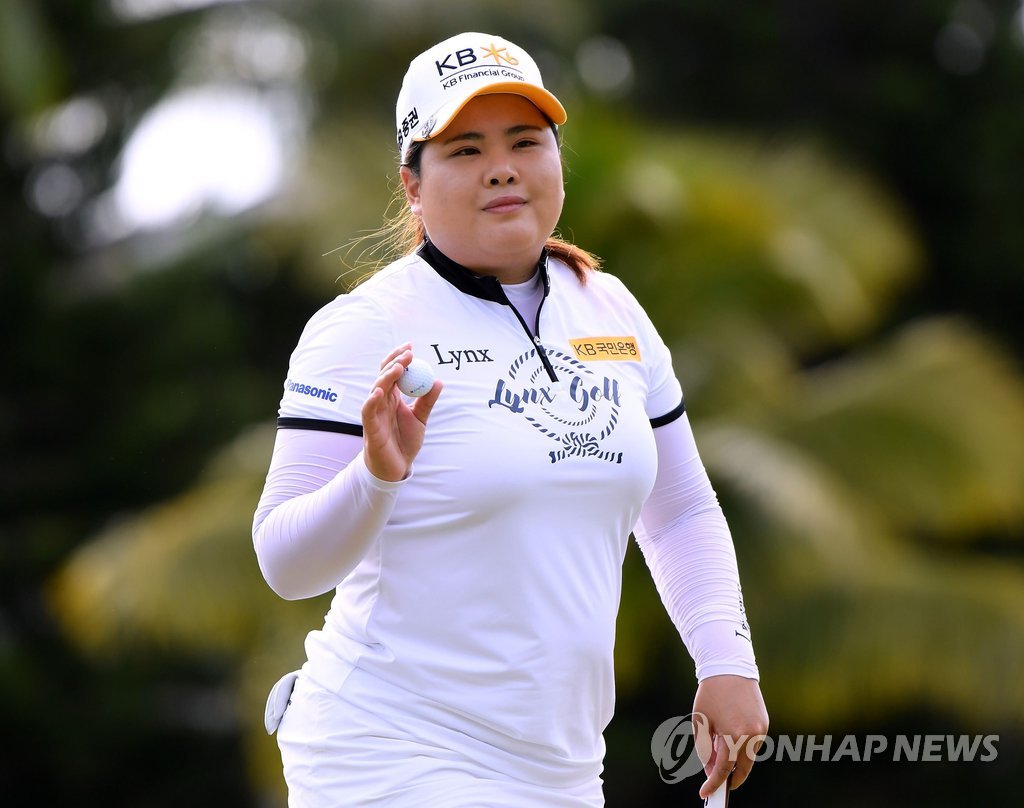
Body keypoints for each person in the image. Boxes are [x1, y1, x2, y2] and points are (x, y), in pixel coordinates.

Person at [253, 31, 768, 807]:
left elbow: (680, 509)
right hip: (389, 751)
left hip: (560, 771)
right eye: (465, 150)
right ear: (413, 184)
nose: (501, 166)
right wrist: (374, 478)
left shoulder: (610, 308)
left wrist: (725, 659)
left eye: (525, 141)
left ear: (556, 158)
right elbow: (286, 565)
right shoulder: (364, 327)